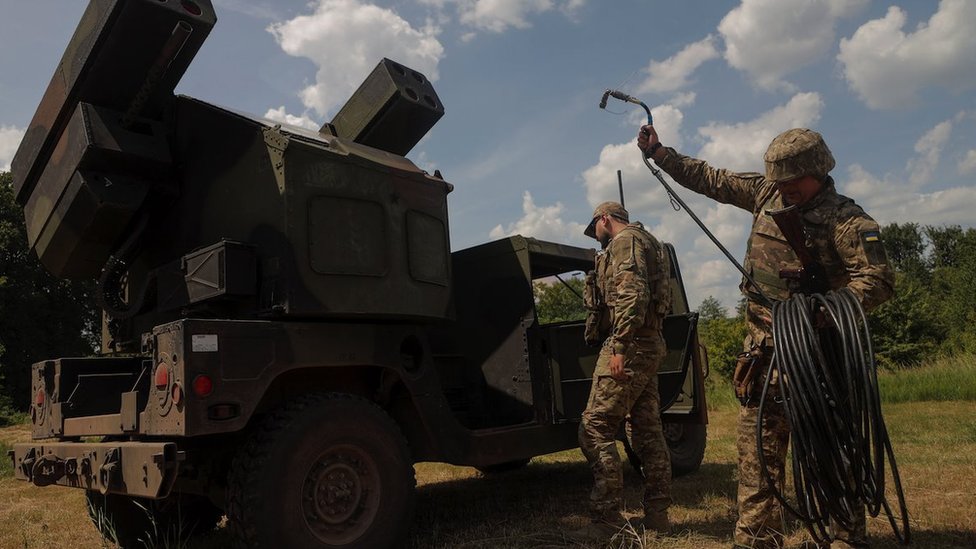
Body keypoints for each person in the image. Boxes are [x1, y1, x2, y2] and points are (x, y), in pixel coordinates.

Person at [637, 126, 895, 549]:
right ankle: (757, 536)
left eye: (793, 181)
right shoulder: (766, 194)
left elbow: (879, 280)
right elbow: (712, 179)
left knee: (832, 450)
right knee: (757, 454)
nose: (785, 188)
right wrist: (662, 154)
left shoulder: (847, 220)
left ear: (818, 172)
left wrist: (825, 309)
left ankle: (844, 536)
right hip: (764, 356)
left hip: (821, 359)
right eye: (780, 180)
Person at [578, 201, 673, 537]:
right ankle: (658, 516)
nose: (596, 236)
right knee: (647, 430)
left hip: (630, 344)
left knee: (594, 428)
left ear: (605, 219)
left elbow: (633, 294)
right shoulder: (651, 242)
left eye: (595, 228)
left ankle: (605, 521)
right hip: (649, 342)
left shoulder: (625, 241)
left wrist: (619, 346)